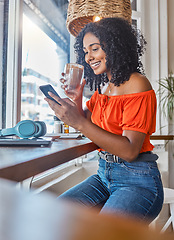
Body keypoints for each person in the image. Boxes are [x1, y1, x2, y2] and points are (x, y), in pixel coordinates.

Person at [45, 17, 164, 223]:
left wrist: (79, 122)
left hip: (138, 181)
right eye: (85, 51)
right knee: (54, 216)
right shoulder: (104, 89)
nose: (88, 57)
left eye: (95, 48)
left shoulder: (137, 83)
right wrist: (76, 96)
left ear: (115, 47)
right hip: (104, 175)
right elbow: (88, 123)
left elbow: (129, 151)